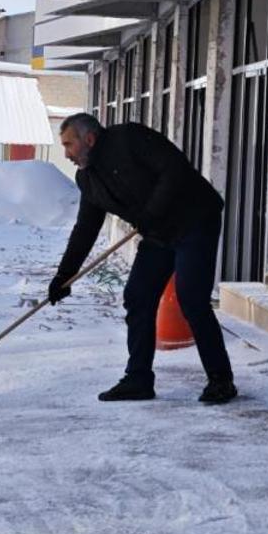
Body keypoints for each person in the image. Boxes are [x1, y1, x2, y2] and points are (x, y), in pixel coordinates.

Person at [49, 113, 236, 404]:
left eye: (68, 145)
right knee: (138, 296)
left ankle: (221, 380)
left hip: (195, 221)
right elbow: (85, 228)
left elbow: (175, 169)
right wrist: (64, 276)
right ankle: (138, 379)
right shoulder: (88, 178)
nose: (67, 154)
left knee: (192, 300)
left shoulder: (129, 138)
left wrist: (151, 213)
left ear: (89, 139)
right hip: (158, 233)